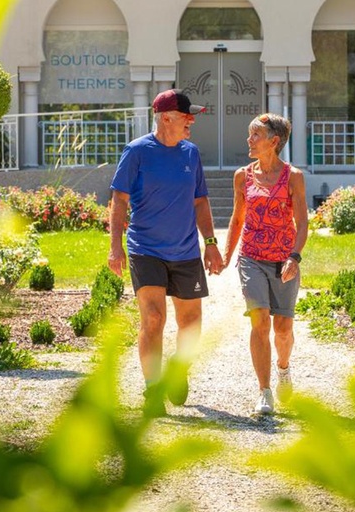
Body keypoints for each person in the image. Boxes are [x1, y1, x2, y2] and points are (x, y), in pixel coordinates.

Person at [108, 89, 224, 418]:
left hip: (185, 250)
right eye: (187, 115)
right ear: (166, 118)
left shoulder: (191, 153)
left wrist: (211, 244)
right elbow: (119, 200)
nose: (192, 120)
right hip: (146, 249)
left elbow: (200, 201)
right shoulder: (137, 152)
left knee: (191, 325)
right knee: (154, 319)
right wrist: (116, 246)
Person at [223, 113, 308, 415]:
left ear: (274, 141)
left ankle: (283, 368)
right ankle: (264, 391)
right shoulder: (242, 176)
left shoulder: (293, 177)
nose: (249, 140)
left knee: (282, 329)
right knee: (260, 320)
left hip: (284, 260)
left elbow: (302, 224)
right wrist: (226, 256)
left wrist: (294, 258)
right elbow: (237, 219)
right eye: (249, 134)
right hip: (251, 257)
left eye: (255, 135)